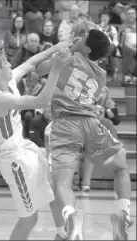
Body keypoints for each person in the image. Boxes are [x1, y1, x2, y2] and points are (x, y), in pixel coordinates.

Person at [35, 20, 132, 240]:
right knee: (121, 167)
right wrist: (85, 38)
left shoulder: (68, 57)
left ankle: (71, 219)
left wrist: (67, 47)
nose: (78, 37)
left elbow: (39, 69)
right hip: (91, 124)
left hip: (65, 125)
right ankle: (122, 215)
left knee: (61, 183)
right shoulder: (101, 74)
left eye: (83, 38)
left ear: (86, 47)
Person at [0, 41, 72, 240]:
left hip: (26, 149)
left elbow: (31, 63)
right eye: (6, 63)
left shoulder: (8, 80)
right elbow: (41, 102)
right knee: (30, 219)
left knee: (52, 190)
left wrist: (57, 48)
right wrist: (55, 69)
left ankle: (62, 234)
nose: (10, 66)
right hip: (15, 162)